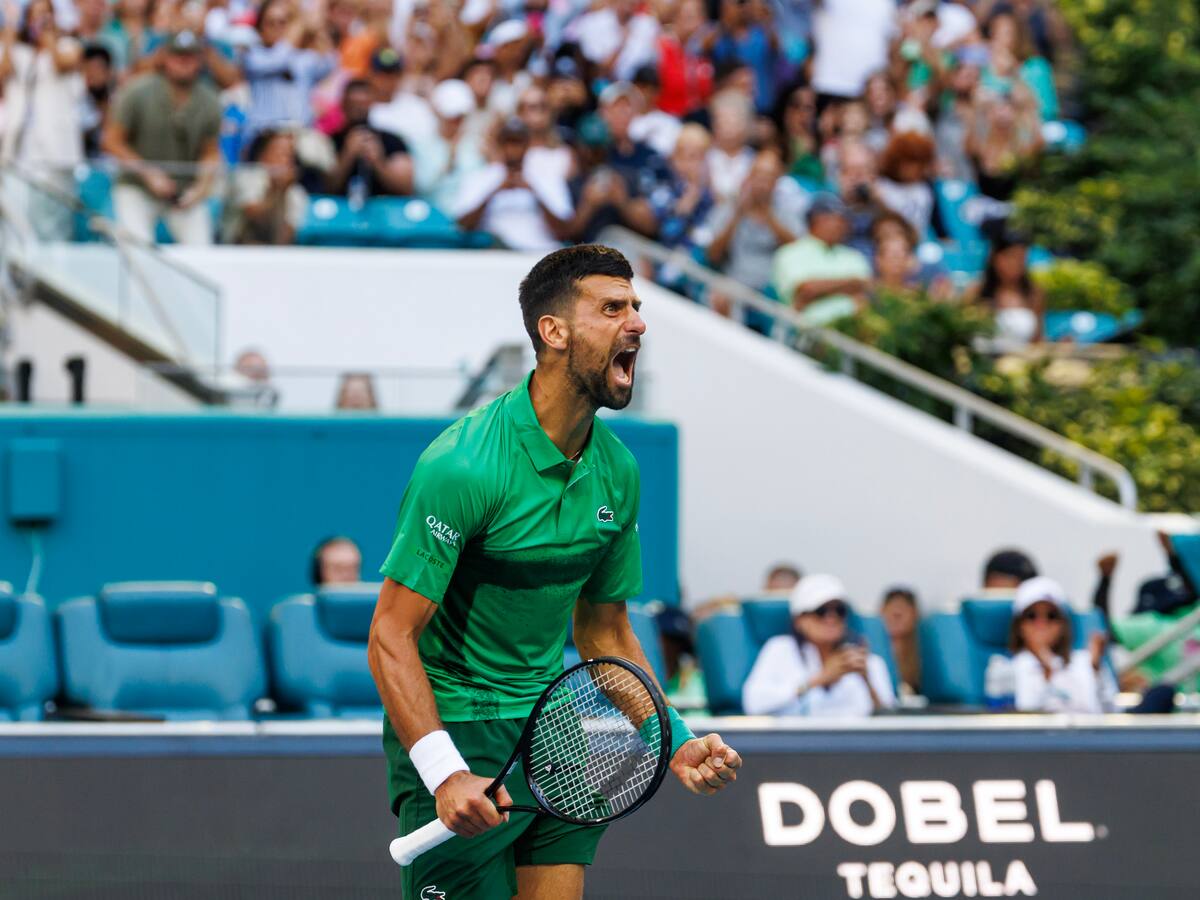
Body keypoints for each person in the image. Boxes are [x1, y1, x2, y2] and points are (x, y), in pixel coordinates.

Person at [367, 244, 741, 900]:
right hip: (459, 726)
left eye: (636, 307)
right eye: (612, 308)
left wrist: (672, 739)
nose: (637, 323)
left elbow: (606, 637)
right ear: (554, 331)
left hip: (551, 724)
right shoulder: (462, 467)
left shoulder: (617, 470)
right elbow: (390, 637)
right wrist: (444, 770)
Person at [103, 31, 221, 245]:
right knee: (138, 246)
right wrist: (148, 173)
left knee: (202, 249)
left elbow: (210, 152)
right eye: (178, 56)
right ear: (165, 57)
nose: (183, 62)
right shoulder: (138, 91)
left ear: (199, 60)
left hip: (182, 190)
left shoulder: (209, 100)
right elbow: (112, 141)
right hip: (137, 185)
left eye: (190, 56)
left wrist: (200, 188)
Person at [742, 574, 897, 716]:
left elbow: (890, 723)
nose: (832, 618)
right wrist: (817, 680)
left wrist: (867, 681)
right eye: (821, 611)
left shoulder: (868, 661)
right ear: (800, 620)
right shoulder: (779, 649)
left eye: (839, 610)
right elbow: (753, 704)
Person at [452, 116, 572, 251]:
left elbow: (565, 231)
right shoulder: (480, 178)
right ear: (499, 144)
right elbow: (462, 226)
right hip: (496, 256)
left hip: (540, 252)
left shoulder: (548, 178)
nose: (513, 149)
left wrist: (535, 193)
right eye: (508, 142)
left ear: (527, 144)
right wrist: (493, 192)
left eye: (518, 142)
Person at [0, 0, 84, 179]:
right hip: (20, 145)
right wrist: (9, 29)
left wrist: (48, 37)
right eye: (35, 14)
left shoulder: (69, 45)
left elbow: (62, 64)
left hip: (57, 149)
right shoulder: (19, 51)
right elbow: (4, 73)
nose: (41, 19)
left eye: (46, 13)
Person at [705, 148, 805, 296]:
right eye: (758, 176)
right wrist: (737, 216)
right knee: (719, 294)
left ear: (777, 182)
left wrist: (769, 217)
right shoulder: (730, 208)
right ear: (749, 177)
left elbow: (798, 252)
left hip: (770, 289)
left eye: (768, 178)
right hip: (735, 281)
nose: (762, 183)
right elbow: (713, 255)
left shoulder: (787, 214)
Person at [1010, 576, 1116, 713]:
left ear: (1063, 624)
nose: (1041, 624)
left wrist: (1096, 672)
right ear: (1019, 625)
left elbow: (1113, 714)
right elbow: (1021, 719)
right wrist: (1046, 671)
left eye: (1051, 616)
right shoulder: (1006, 668)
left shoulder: (1085, 661)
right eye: (1031, 616)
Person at [772, 193, 872, 326]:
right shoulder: (790, 252)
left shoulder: (855, 257)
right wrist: (851, 283)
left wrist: (820, 288)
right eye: (836, 218)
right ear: (816, 219)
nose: (843, 225)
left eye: (844, 220)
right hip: (803, 333)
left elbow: (864, 293)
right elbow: (805, 291)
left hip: (849, 333)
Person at [242, 0, 336, 139]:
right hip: (265, 136)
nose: (278, 28)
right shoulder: (254, 55)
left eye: (283, 22)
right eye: (271, 23)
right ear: (260, 28)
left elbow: (329, 64)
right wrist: (299, 25)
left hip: (300, 136)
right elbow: (279, 58)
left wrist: (316, 30)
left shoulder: (302, 57)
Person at [327, 79, 414, 199]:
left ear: (372, 103)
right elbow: (325, 186)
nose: (358, 109)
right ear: (343, 104)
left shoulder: (391, 140)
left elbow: (406, 188)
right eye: (353, 104)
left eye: (363, 104)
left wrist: (378, 162)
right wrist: (347, 154)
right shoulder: (329, 141)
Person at [412, 78, 486, 212]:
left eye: (461, 117)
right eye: (452, 117)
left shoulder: (477, 144)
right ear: (438, 113)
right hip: (434, 220)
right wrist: (449, 158)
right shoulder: (422, 145)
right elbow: (422, 188)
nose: (457, 122)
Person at [225, 128, 307, 245]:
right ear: (262, 155)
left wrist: (283, 191)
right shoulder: (247, 177)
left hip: (272, 257)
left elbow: (284, 241)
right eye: (279, 153)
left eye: (289, 156)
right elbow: (255, 221)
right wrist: (278, 190)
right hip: (234, 251)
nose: (285, 160)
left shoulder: (296, 193)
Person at [974, 228, 1044, 344]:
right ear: (996, 258)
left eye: (1021, 259)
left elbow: (1038, 340)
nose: (1016, 264)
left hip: (1019, 360)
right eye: (1011, 257)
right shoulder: (976, 292)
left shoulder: (1033, 294)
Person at [656, 605, 708, 712]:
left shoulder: (700, 683)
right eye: (667, 640)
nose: (673, 649)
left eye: (678, 642)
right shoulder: (636, 684)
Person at [881, 586, 921, 696]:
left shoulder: (924, 654)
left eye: (904, 608)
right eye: (891, 608)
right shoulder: (869, 652)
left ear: (915, 614)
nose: (897, 613)